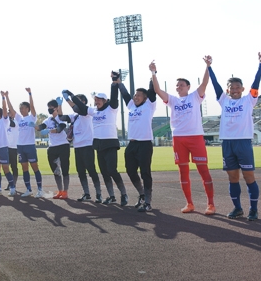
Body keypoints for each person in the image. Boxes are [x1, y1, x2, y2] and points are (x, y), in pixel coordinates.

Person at [150, 57, 215, 215]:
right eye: (177, 85)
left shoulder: (195, 96)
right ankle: (189, 203)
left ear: (188, 87)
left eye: (181, 85)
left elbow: (204, 83)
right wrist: (153, 73)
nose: (179, 87)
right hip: (178, 138)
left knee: (203, 170)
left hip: (195, 137)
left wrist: (208, 66)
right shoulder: (172, 100)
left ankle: (211, 204)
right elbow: (157, 90)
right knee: (183, 171)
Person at [208, 53, 261, 221]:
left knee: (249, 177)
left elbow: (256, 83)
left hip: (243, 142)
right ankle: (238, 208)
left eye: (238, 87)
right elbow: (215, 84)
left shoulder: (249, 100)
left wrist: (260, 64)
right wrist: (209, 67)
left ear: (243, 89)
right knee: (232, 177)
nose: (235, 89)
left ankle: (253, 210)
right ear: (228, 90)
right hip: (227, 143)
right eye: (232, 87)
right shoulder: (223, 100)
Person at [88, 73, 129, 205]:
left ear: (105, 100)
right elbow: (82, 108)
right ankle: (112, 196)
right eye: (96, 100)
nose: (97, 101)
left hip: (110, 143)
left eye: (99, 99)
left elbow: (114, 98)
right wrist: (71, 97)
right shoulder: (94, 111)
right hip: (98, 144)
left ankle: (124, 194)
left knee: (112, 170)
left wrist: (114, 83)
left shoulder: (111, 109)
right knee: (104, 172)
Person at [118, 78, 157, 212]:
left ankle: (148, 202)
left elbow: (152, 91)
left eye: (139, 95)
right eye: (135, 95)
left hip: (145, 143)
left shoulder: (149, 105)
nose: (135, 97)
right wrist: (119, 83)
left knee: (145, 172)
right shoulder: (132, 106)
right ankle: (142, 194)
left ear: (145, 98)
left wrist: (152, 76)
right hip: (132, 144)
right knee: (130, 171)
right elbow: (125, 94)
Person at [62, 91, 103, 203]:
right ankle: (86, 193)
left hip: (87, 145)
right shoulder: (75, 116)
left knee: (91, 170)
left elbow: (77, 108)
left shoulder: (87, 112)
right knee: (80, 171)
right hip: (77, 146)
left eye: (78, 101)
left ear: (83, 102)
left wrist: (68, 99)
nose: (76, 103)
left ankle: (99, 194)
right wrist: (58, 107)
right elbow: (62, 117)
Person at [7, 88, 45, 198]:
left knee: (35, 167)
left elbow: (32, 106)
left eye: (23, 108)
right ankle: (28, 189)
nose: (21, 110)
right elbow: (11, 109)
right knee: (24, 168)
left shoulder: (32, 117)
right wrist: (7, 97)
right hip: (20, 146)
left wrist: (30, 94)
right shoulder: (19, 119)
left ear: (27, 109)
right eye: (20, 108)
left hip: (29, 146)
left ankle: (40, 189)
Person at [37, 97, 71, 199]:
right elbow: (41, 127)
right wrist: (33, 126)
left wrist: (49, 131)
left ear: (56, 108)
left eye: (51, 107)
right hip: (52, 147)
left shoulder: (62, 118)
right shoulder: (48, 120)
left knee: (65, 169)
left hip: (63, 146)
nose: (49, 109)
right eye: (48, 107)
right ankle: (60, 191)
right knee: (56, 171)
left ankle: (65, 192)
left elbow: (60, 129)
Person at [6, 112, 19, 191]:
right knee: (5, 166)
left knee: (13, 166)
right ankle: (10, 182)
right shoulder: (6, 123)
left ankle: (13, 183)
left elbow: (12, 124)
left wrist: (8, 117)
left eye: (10, 113)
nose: (8, 114)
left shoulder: (16, 121)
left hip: (13, 147)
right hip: (6, 147)